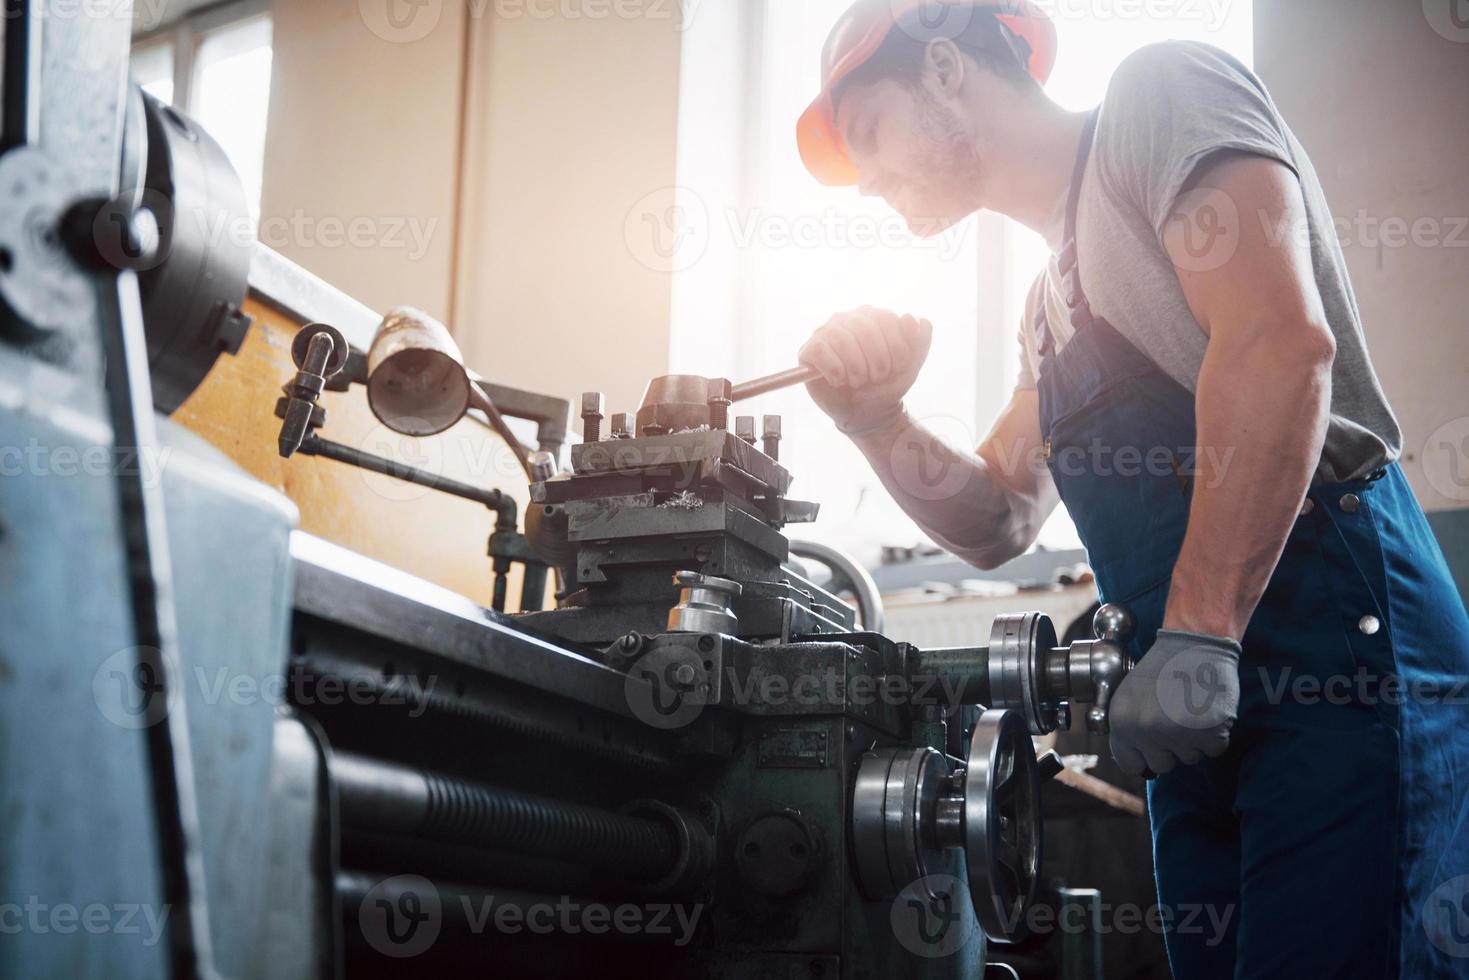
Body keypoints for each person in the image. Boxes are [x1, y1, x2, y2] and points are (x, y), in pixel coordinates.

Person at [793, 1, 1469, 976]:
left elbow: (1277, 345)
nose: (868, 181)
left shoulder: (1158, 99)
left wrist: (1199, 632)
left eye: (867, 133)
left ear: (943, 67)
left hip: (1333, 651)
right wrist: (875, 420)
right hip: (1194, 709)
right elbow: (996, 517)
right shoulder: (1044, 309)